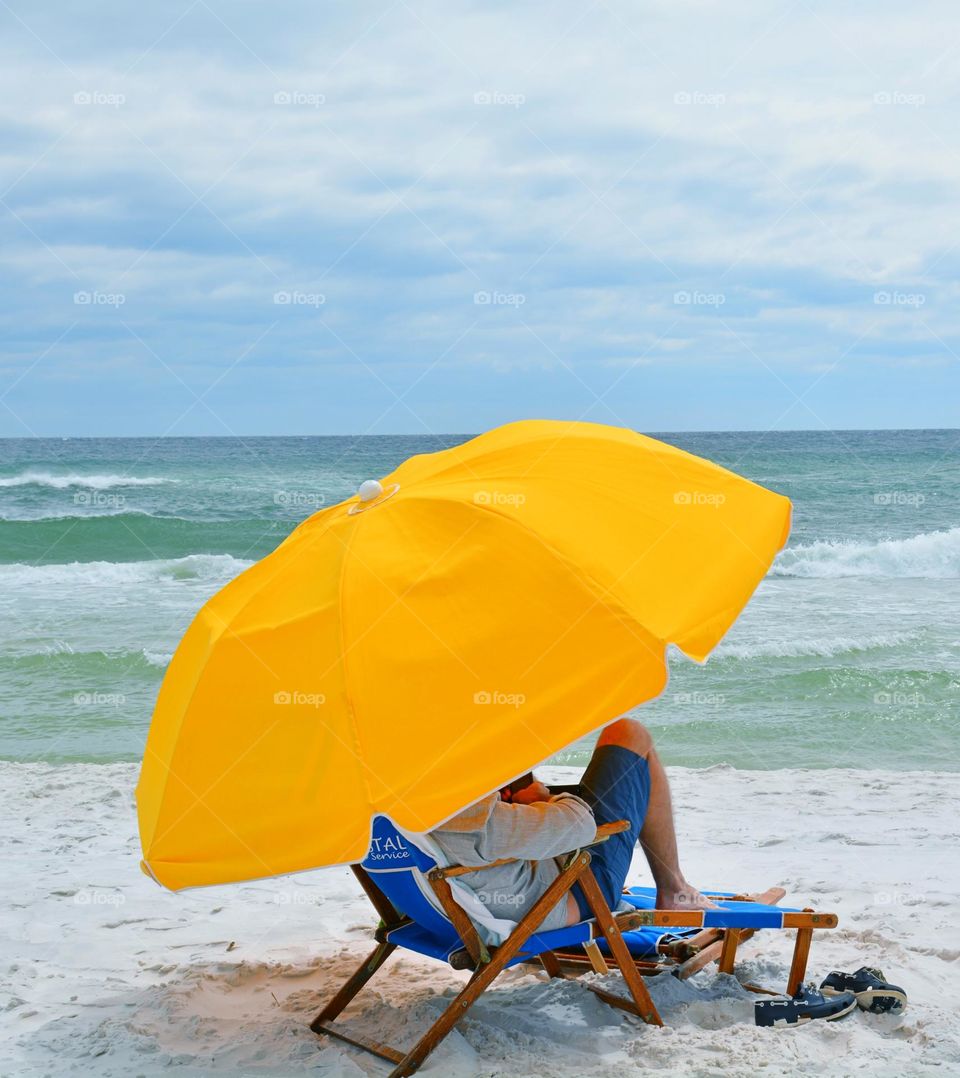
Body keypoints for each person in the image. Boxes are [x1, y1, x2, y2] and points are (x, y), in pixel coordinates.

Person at [430, 718, 715, 931]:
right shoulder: (469, 818)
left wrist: (515, 807)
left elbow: (481, 839)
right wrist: (544, 800)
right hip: (567, 896)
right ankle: (673, 888)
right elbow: (580, 825)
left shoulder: (396, 810)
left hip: (454, 912)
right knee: (629, 733)